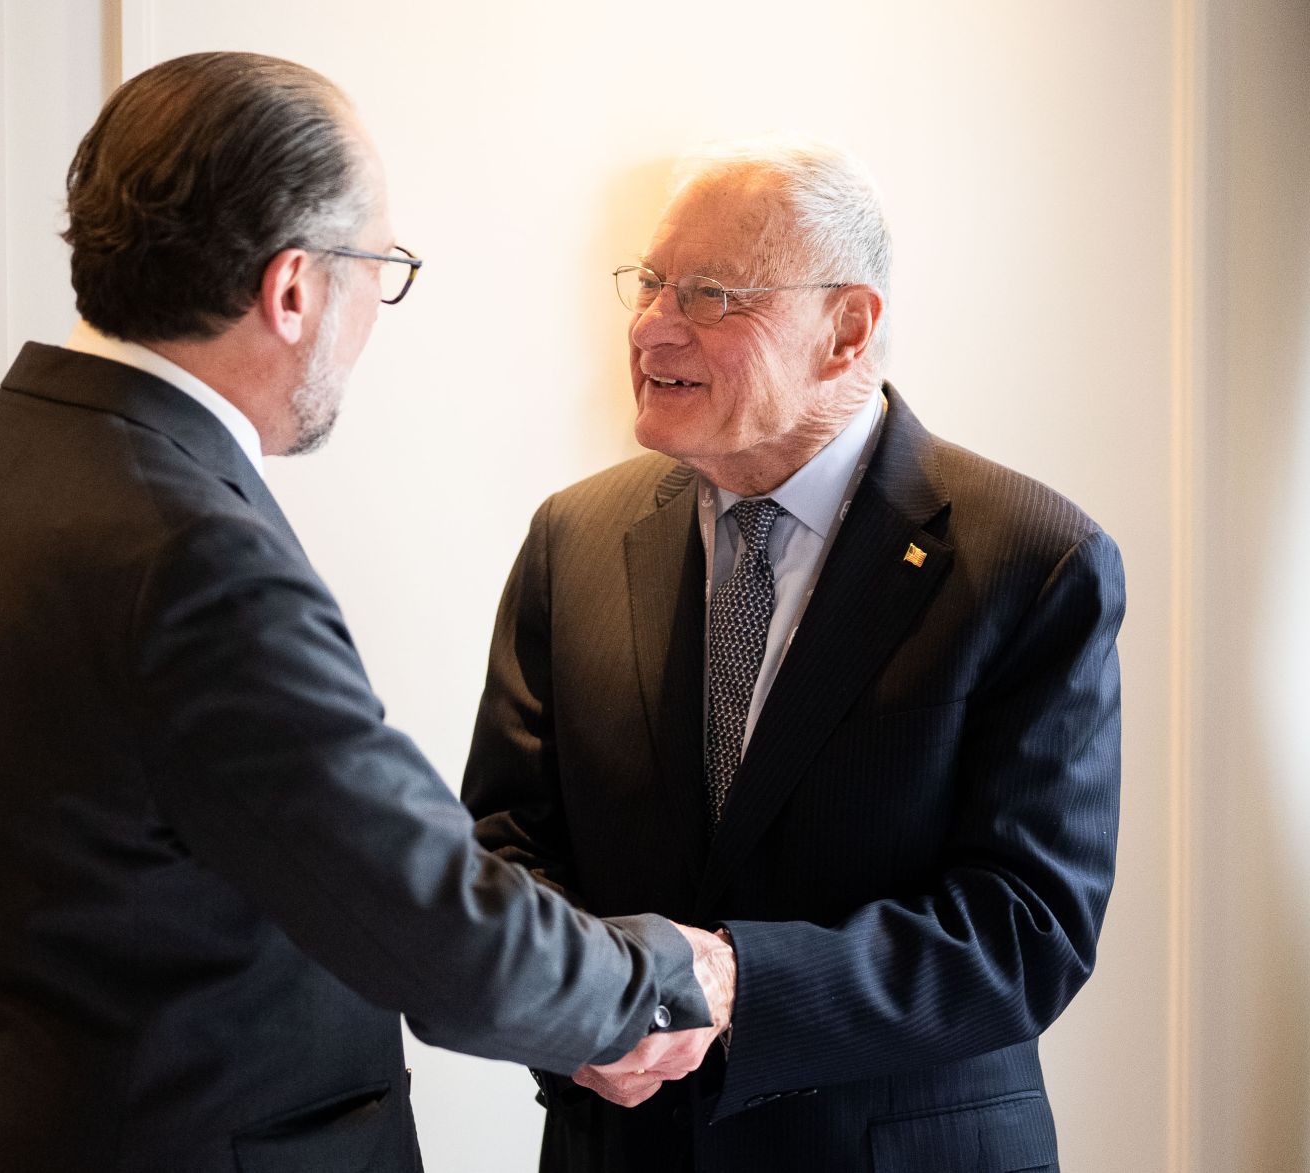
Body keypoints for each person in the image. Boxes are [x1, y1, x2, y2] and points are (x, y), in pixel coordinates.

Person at [0, 52, 731, 1173]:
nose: (373, 313)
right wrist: (659, 977)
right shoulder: (188, 552)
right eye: (379, 267)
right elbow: (427, 918)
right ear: (294, 287)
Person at [462, 137, 1124, 1172]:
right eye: (648, 284)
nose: (648, 326)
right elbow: (503, 842)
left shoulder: (1027, 558)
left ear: (844, 330)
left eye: (710, 295)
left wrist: (733, 984)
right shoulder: (572, 538)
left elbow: (1023, 928)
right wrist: (574, 1009)